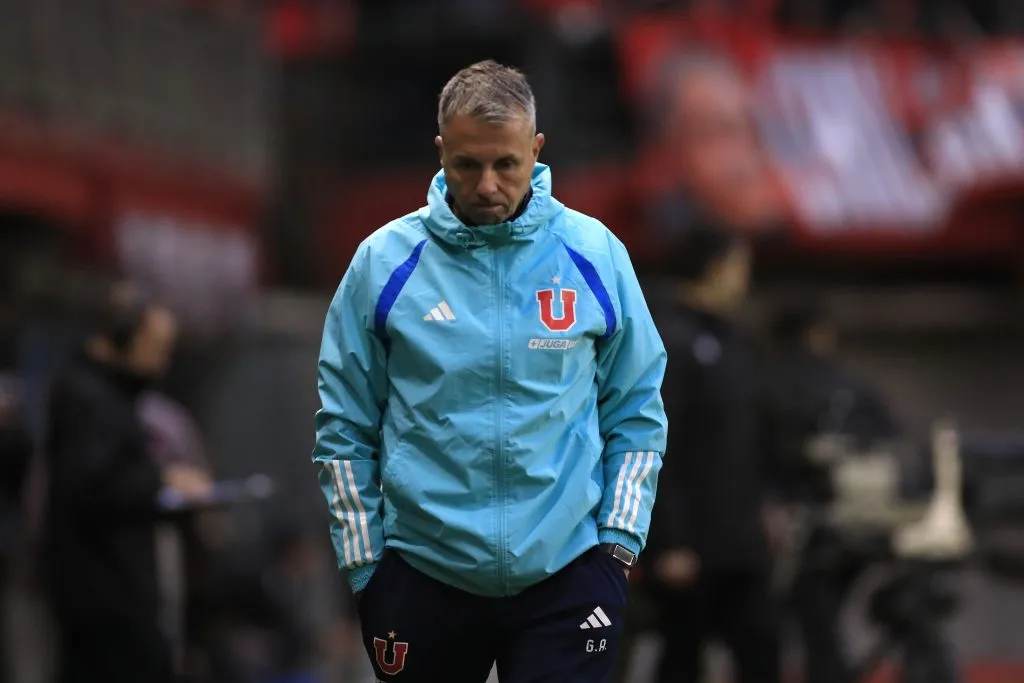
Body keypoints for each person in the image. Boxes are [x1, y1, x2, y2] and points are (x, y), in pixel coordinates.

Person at [313, 60, 668, 683]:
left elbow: (636, 410)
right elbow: (344, 425)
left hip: (568, 575)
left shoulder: (593, 255)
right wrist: (366, 564)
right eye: (467, 164)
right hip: (422, 575)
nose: (486, 186)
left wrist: (617, 545)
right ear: (440, 151)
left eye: (506, 164)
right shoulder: (384, 262)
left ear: (535, 150)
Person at [43, 280, 213, 683]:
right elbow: (90, 486)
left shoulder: (106, 395)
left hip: (112, 592)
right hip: (103, 597)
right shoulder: (89, 399)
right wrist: (162, 481)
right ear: (124, 338)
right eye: (155, 349)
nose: (162, 364)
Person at [646, 223, 781, 683]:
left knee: (763, 649)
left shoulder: (733, 342)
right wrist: (667, 541)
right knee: (682, 660)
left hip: (739, 542)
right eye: (740, 267)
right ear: (715, 268)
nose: (745, 279)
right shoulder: (669, 338)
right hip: (689, 547)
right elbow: (656, 442)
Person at [765, 301, 901, 683]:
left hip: (784, 528)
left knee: (787, 631)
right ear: (819, 333)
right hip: (852, 525)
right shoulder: (849, 385)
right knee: (822, 629)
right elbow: (891, 438)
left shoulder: (765, 380)